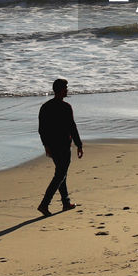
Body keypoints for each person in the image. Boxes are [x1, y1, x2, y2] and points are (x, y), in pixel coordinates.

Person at [38, 78, 84, 215]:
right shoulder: (66, 107)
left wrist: (46, 145)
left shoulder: (45, 107)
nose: (67, 90)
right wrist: (79, 145)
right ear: (61, 90)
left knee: (61, 173)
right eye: (66, 87)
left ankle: (65, 202)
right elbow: (72, 127)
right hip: (63, 146)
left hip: (52, 146)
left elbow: (42, 130)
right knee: (60, 175)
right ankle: (44, 204)